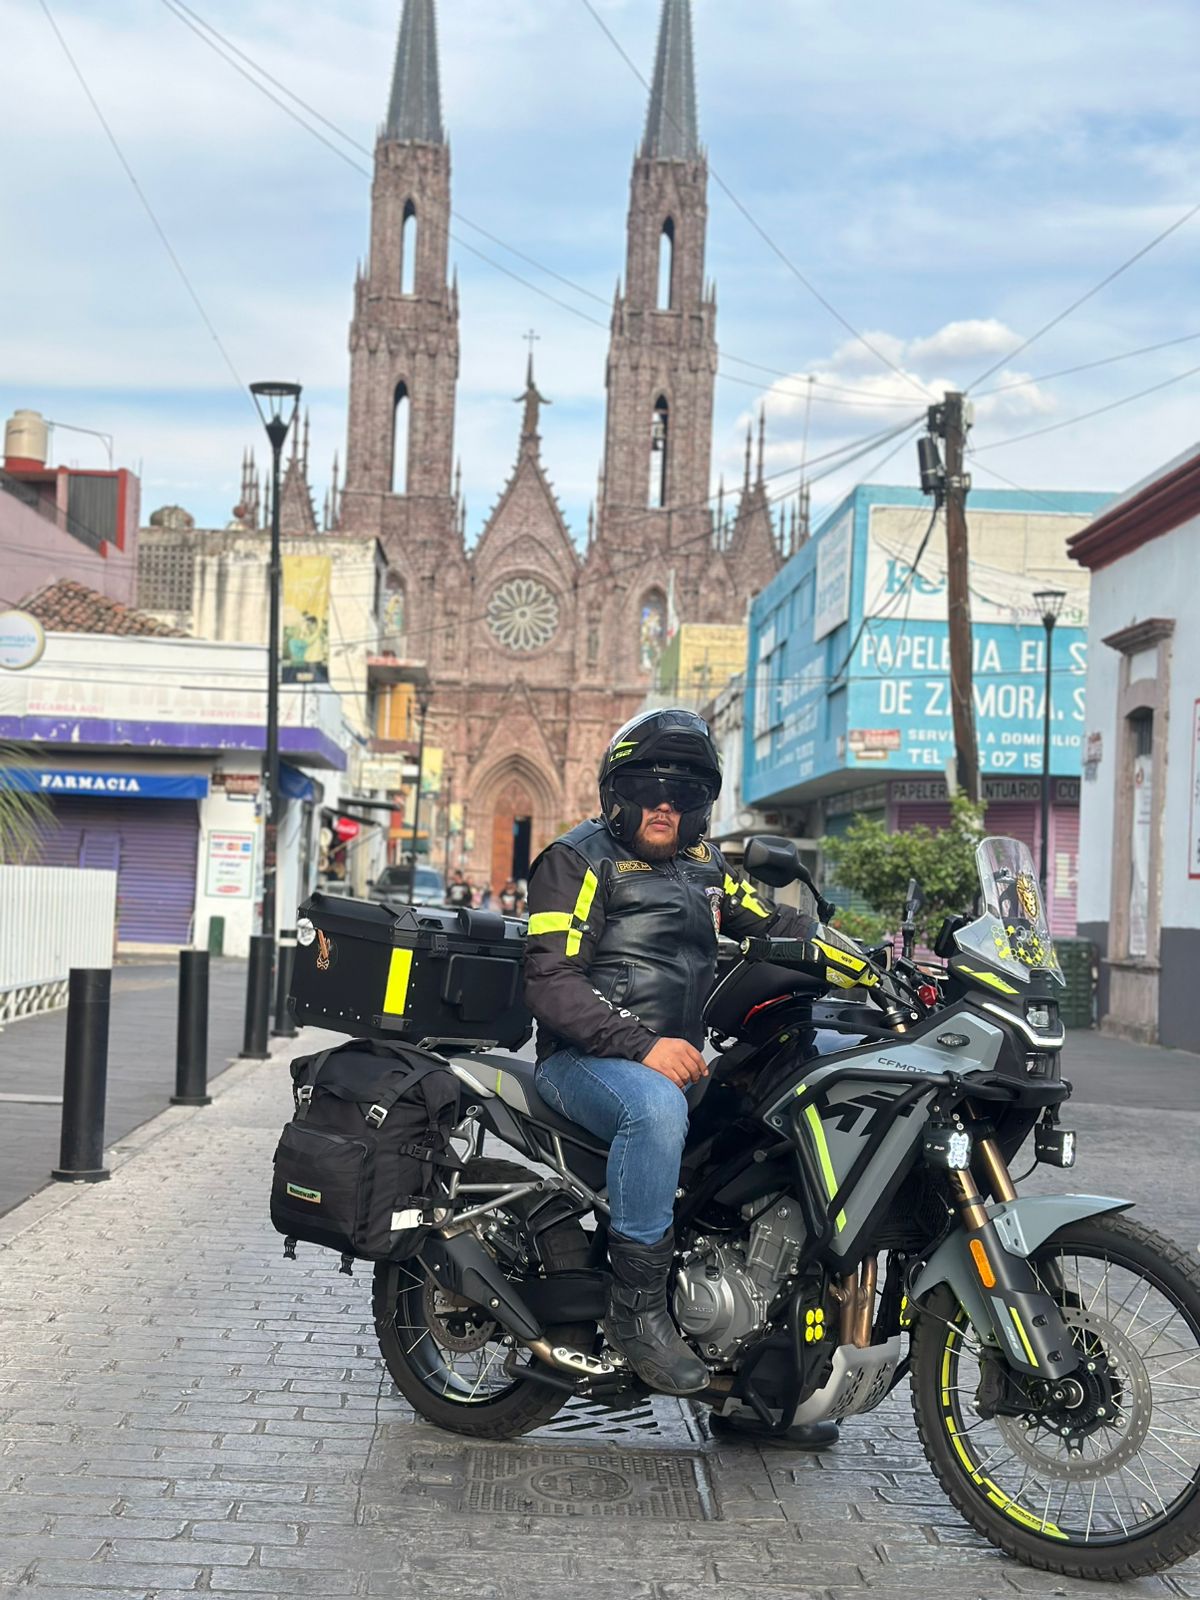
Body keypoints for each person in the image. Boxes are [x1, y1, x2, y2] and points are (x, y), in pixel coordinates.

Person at [523, 708, 837, 1445]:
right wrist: (641, 1046)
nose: (666, 805)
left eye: (686, 792)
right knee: (657, 1110)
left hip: (672, 1061)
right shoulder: (578, 860)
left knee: (778, 1131)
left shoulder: (707, 868)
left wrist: (883, 963)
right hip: (586, 1063)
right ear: (617, 793)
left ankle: (758, 1375)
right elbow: (549, 981)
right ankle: (636, 1312)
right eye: (650, 788)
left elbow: (780, 929)